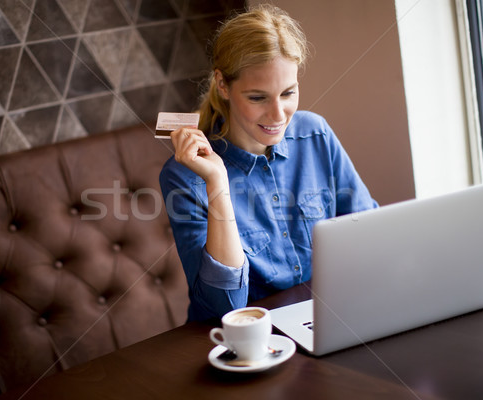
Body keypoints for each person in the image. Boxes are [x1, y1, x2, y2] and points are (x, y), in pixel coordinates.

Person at [159, 4, 378, 322]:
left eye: (288, 93)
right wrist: (218, 183)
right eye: (258, 98)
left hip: (327, 321)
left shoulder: (314, 133)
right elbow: (226, 306)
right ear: (223, 85)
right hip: (241, 341)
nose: (278, 116)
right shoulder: (184, 176)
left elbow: (369, 239)